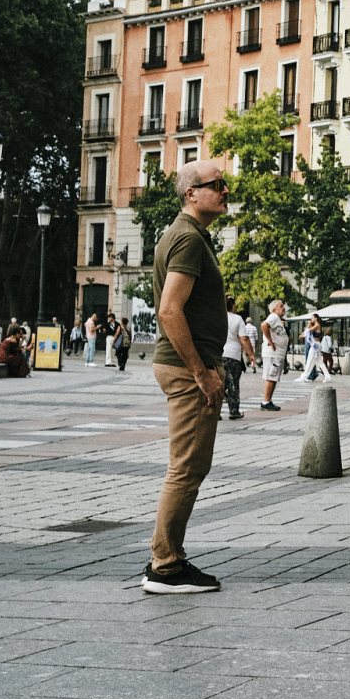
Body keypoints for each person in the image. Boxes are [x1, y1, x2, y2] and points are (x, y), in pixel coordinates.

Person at [142, 159, 231, 594]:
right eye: (217, 184)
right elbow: (169, 310)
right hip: (186, 369)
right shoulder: (188, 238)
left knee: (190, 465)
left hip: (186, 366)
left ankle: (168, 558)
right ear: (192, 193)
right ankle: (165, 566)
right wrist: (202, 372)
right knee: (186, 468)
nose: (225, 190)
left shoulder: (189, 235)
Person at [220, 295, 249, 421]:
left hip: (218, 353)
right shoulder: (237, 318)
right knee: (233, 383)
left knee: (218, 383)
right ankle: (234, 411)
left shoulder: (217, 317)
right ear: (233, 306)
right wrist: (251, 354)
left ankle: (215, 411)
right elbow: (244, 338)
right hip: (233, 355)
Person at [257, 299, 287, 412]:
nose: (283, 308)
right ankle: (266, 401)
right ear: (274, 309)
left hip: (276, 353)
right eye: (281, 306)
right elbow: (264, 325)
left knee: (273, 377)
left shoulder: (277, 319)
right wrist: (270, 340)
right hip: (273, 353)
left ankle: (268, 400)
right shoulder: (273, 317)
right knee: (271, 377)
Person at [295, 315, 331, 383]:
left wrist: (308, 325)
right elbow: (307, 333)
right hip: (316, 345)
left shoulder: (317, 325)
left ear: (316, 318)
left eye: (312, 317)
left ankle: (303, 377)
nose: (311, 319)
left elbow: (308, 330)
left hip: (315, 345)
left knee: (309, 361)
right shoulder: (315, 325)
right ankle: (327, 376)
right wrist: (302, 335)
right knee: (320, 362)